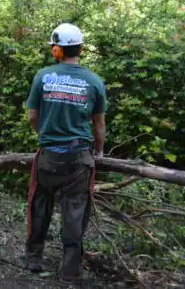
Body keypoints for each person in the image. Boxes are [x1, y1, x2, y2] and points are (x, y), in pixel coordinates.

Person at [24, 23, 107, 284]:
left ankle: (33, 259)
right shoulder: (94, 81)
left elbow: (32, 117)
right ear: (81, 49)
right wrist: (100, 151)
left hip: (48, 155)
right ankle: (69, 271)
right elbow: (99, 124)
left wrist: (45, 136)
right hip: (79, 158)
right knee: (75, 213)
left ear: (56, 50)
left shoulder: (43, 76)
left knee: (39, 205)